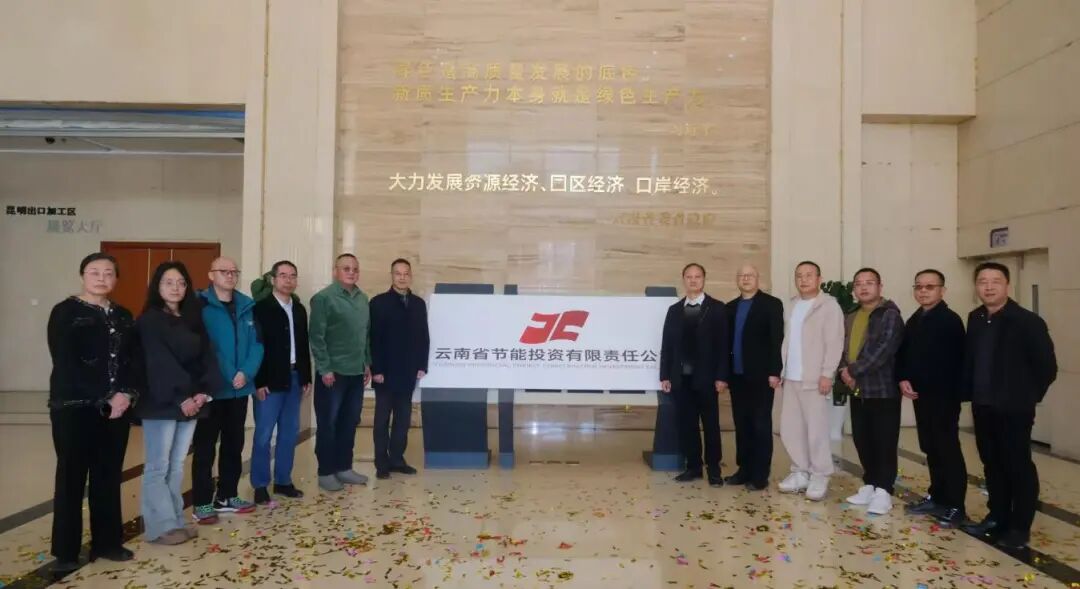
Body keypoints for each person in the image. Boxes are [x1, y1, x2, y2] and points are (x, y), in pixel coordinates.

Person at [46, 253, 138, 573]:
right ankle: (66, 552)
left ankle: (108, 542)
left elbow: (132, 360)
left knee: (108, 475)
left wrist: (125, 394)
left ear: (116, 278)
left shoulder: (123, 315)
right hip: (75, 407)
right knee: (71, 477)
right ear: (82, 276)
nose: (102, 278)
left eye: (108, 273)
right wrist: (104, 397)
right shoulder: (65, 312)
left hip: (117, 409)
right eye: (94, 272)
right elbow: (65, 361)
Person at [961, 262, 1057, 549]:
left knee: (1018, 466)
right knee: (992, 464)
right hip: (983, 405)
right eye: (983, 281)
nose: (989, 287)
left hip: (1014, 408)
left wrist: (1026, 397)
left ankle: (1019, 527)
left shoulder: (1027, 321)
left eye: (995, 281)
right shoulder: (976, 318)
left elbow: (1046, 367)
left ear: (1007, 285)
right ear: (976, 286)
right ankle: (997, 517)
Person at [137, 261, 224, 546]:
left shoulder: (191, 318)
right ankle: (159, 527)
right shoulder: (150, 320)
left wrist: (203, 392)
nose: (175, 288)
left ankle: (174, 519)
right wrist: (181, 397)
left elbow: (206, 357)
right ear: (157, 286)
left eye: (181, 282)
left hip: (192, 402)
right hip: (163, 402)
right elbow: (157, 362)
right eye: (168, 282)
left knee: (176, 466)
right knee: (157, 467)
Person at [191, 257, 263, 523]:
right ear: (211, 275)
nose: (230, 275)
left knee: (234, 444)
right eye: (224, 271)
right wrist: (231, 373)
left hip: (239, 390)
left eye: (234, 271)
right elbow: (206, 346)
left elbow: (257, 344)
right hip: (212, 389)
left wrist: (246, 372)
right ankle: (201, 502)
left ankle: (227, 495)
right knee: (205, 448)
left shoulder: (246, 305)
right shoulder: (199, 305)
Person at [896, 269, 968, 527]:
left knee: (947, 449)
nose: (923, 291)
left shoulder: (950, 320)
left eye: (930, 286)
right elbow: (904, 353)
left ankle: (956, 505)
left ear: (942, 291)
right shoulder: (916, 318)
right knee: (931, 447)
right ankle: (938, 497)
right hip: (922, 396)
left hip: (943, 397)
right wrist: (903, 377)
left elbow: (956, 362)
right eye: (919, 286)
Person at [838, 268, 905, 515]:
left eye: (869, 283)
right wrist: (844, 370)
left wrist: (852, 371)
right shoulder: (851, 315)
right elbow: (842, 347)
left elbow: (883, 350)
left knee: (883, 440)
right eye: (858, 284)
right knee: (862, 438)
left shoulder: (889, 315)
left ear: (880, 286)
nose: (863, 287)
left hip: (882, 389)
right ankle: (870, 484)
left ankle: (884, 490)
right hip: (857, 388)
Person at [659, 263, 731, 487]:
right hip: (681, 379)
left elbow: (723, 346)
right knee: (687, 425)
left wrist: (722, 377)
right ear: (683, 280)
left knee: (711, 426)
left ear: (704, 279)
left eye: (697, 276)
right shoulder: (674, 310)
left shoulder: (717, 308)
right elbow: (667, 345)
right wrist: (665, 375)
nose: (693, 280)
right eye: (689, 277)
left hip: (707, 379)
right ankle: (693, 467)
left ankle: (714, 469)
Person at [778, 261, 844, 501]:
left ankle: (820, 474)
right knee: (791, 428)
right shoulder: (792, 305)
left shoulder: (829, 306)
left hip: (814, 379)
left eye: (808, 275)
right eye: (799, 276)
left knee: (816, 430)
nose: (803, 280)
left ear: (819, 279)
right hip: (791, 377)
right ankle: (800, 471)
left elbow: (835, 342)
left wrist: (827, 373)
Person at [310, 253, 372, 491]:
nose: (351, 272)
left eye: (355, 269)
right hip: (332, 373)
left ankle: (344, 467)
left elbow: (365, 334)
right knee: (329, 422)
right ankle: (326, 471)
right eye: (346, 268)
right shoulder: (324, 298)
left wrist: (366, 362)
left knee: (350, 421)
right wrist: (324, 368)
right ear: (335, 271)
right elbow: (317, 337)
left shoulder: (362, 298)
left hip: (356, 372)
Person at [251, 261, 312, 503]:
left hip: (295, 378)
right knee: (264, 434)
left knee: (289, 433)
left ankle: (283, 481)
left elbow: (304, 345)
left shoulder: (299, 309)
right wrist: (259, 381)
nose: (288, 280)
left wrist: (306, 377)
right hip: (269, 380)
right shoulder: (261, 309)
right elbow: (256, 347)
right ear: (273, 279)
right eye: (283, 275)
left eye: (292, 276)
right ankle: (260, 484)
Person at [723, 264, 784, 491]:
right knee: (742, 425)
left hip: (762, 377)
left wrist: (775, 371)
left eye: (750, 275)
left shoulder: (771, 304)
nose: (745, 278)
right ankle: (744, 469)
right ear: (737, 280)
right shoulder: (730, 307)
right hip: (737, 377)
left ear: (758, 279)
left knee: (760, 425)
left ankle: (760, 475)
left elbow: (776, 340)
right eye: (741, 275)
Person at [370, 259, 430, 480]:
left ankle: (397, 459)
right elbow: (373, 338)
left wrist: (422, 365)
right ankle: (381, 463)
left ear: (410, 276)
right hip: (384, 372)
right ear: (392, 276)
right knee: (382, 420)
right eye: (398, 273)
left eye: (406, 274)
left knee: (403, 420)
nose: (402, 277)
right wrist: (376, 368)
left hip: (408, 371)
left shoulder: (418, 304)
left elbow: (423, 336)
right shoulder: (378, 303)